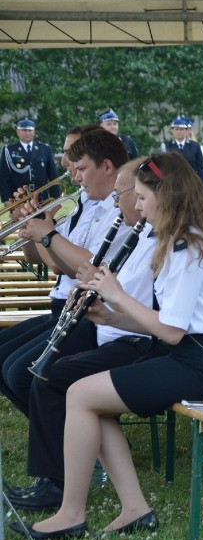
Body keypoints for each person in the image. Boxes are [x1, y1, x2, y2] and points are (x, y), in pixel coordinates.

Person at [9, 151, 203, 540]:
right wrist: (109, 316)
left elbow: (170, 331)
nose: (140, 208)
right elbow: (168, 327)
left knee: (81, 393)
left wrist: (115, 294)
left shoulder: (188, 249)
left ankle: (71, 513)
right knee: (86, 395)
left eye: (145, 199)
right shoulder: (176, 242)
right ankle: (134, 510)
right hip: (190, 354)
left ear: (165, 198)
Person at [6, 157, 158, 513]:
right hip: (112, 328)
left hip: (139, 342)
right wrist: (98, 295)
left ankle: (57, 483)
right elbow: (61, 265)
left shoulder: (155, 238)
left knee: (47, 377)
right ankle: (64, 467)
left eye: (135, 196)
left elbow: (150, 312)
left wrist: (104, 295)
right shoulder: (140, 233)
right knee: (39, 374)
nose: (125, 204)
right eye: (129, 196)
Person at [0, 127, 132, 417]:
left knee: (20, 373)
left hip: (94, 315)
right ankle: (62, 436)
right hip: (66, 306)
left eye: (78, 163)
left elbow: (79, 267)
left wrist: (46, 234)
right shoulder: (84, 205)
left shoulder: (120, 209)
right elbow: (44, 260)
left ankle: (76, 439)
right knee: (8, 365)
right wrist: (32, 229)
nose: (70, 170)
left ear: (105, 165)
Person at [0, 117, 59, 202]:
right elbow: (4, 177)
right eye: (24, 130)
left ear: (34, 131)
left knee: (43, 216)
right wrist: (6, 199)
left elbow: (53, 175)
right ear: (18, 132)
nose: (27, 133)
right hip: (19, 198)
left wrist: (55, 197)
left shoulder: (45, 149)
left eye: (30, 130)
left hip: (41, 197)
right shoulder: (9, 150)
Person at [161, 116, 203, 187]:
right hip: (172, 185)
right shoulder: (167, 146)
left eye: (182, 129)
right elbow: (161, 167)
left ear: (186, 130)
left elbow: (201, 169)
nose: (179, 132)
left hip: (191, 184)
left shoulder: (195, 146)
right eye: (176, 129)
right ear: (172, 130)